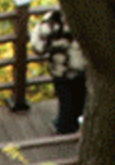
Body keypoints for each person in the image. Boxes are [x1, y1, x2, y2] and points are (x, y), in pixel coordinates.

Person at [36, 7, 85, 135]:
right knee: (81, 96)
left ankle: (65, 126)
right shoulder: (91, 15)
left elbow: (38, 47)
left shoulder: (52, 20)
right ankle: (79, 124)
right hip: (84, 67)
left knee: (65, 97)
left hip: (60, 68)